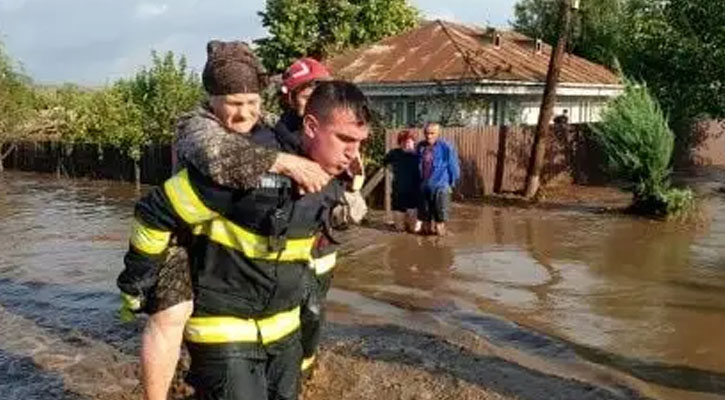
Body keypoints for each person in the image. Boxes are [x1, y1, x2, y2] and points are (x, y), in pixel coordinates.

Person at [117, 41, 345, 400]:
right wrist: (287, 164)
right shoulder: (196, 126)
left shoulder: (265, 121)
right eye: (234, 105)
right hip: (181, 234)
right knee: (172, 314)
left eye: (252, 103)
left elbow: (288, 136)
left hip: (229, 241)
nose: (244, 115)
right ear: (212, 101)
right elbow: (221, 155)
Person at [416, 122, 460, 236]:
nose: (429, 136)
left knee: (440, 220)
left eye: (432, 133)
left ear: (438, 134)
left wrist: (451, 184)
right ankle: (427, 248)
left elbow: (453, 166)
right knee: (425, 219)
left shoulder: (446, 147)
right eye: (426, 133)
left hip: (441, 186)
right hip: (424, 187)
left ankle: (441, 246)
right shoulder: (420, 146)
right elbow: (416, 165)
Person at [383, 130, 421, 233]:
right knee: (399, 229)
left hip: (415, 195)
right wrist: (394, 172)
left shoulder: (419, 155)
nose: (406, 144)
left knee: (414, 230)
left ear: (413, 142)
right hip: (398, 194)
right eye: (403, 142)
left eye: (409, 141)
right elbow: (385, 163)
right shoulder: (394, 153)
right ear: (400, 143)